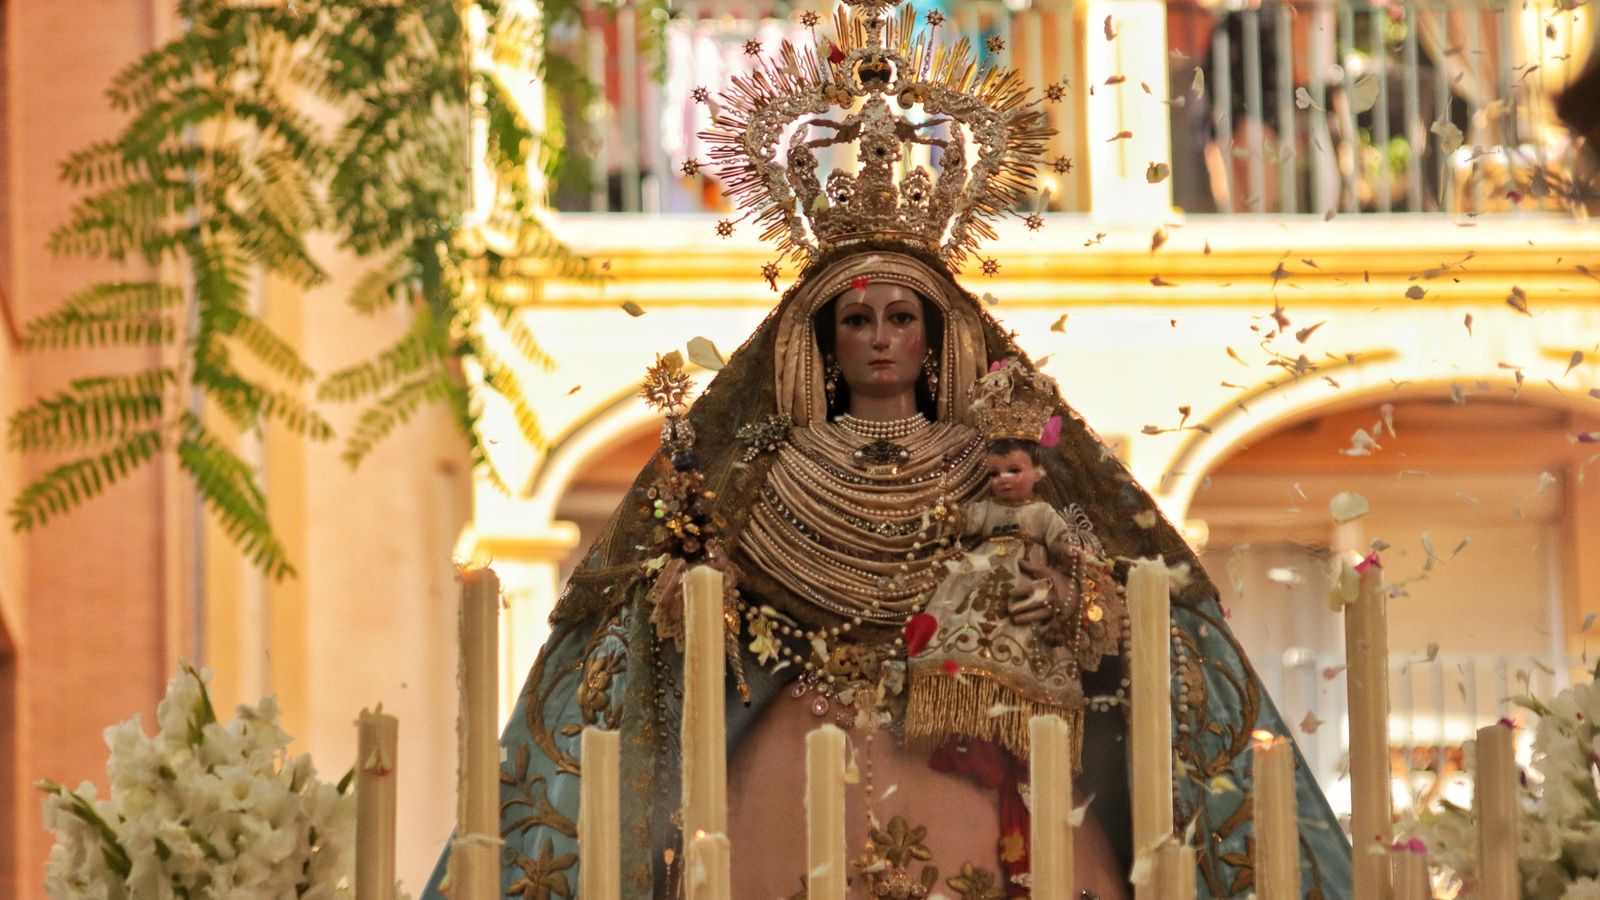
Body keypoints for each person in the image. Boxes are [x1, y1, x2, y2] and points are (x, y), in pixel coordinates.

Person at [423, 4, 1354, 897]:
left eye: (901, 317)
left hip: (977, 765)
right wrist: (686, 592)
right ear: (821, 340)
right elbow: (668, 636)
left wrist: (1068, 599)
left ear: (934, 335)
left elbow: (1117, 613)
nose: (879, 337)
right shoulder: (766, 477)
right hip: (792, 773)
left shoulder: (996, 465)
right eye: (856, 318)